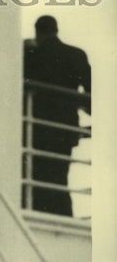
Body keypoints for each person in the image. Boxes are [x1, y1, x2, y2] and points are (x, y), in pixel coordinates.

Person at [22, 15, 91, 217]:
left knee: (36, 177)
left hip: (35, 128)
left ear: (38, 32)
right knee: (59, 177)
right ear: (56, 30)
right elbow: (90, 94)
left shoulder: (31, 55)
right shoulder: (76, 55)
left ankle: (41, 212)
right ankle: (62, 217)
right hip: (64, 130)